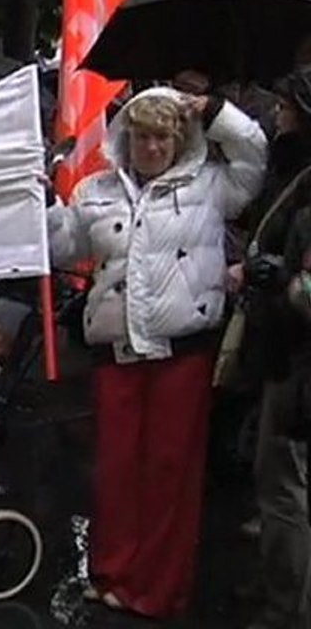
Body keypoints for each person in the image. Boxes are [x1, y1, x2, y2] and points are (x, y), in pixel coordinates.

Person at [47, 88, 267, 618]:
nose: (151, 146)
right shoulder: (97, 190)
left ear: (179, 138)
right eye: (142, 135)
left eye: (162, 136)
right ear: (127, 137)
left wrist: (215, 111)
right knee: (117, 467)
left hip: (181, 353)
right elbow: (63, 246)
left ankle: (159, 589)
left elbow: (254, 153)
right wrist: (44, 204)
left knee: (170, 471)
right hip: (118, 351)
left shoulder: (212, 186)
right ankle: (114, 572)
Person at [230, 68, 311, 629]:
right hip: (286, 353)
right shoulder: (298, 174)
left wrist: (271, 276)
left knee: (285, 484)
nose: (278, 113)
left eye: (287, 106)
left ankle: (288, 609)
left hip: (301, 362)